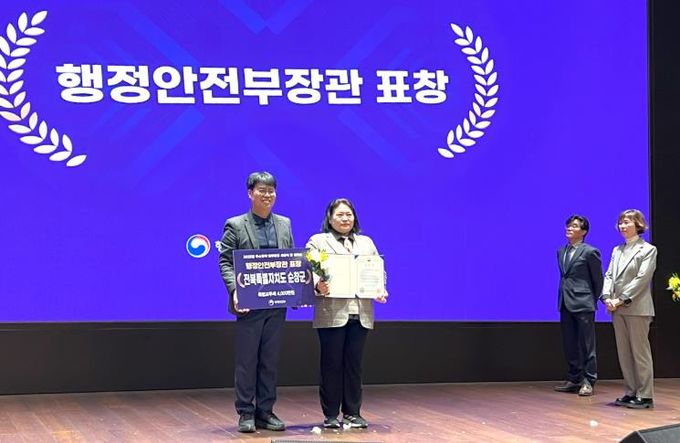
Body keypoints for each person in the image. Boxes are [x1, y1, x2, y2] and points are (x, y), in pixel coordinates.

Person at [218, 172, 294, 432]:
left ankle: (265, 411)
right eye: (262, 190)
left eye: (271, 190)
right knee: (247, 361)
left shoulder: (284, 223)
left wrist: (299, 291)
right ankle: (246, 412)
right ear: (250, 193)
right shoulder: (235, 225)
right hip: (249, 304)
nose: (267, 195)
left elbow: (291, 261)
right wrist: (235, 290)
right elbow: (226, 261)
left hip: (277, 304)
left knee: (270, 361)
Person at [305, 198, 387, 429]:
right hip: (331, 311)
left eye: (348, 215)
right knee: (331, 364)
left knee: (354, 364)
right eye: (340, 215)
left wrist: (380, 288)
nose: (345, 219)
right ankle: (331, 414)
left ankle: (353, 412)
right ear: (330, 218)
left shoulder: (366, 242)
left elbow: (378, 269)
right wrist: (317, 285)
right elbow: (309, 271)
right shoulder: (318, 241)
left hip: (360, 312)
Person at [601, 209, 657, 409]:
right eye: (621, 222)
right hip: (617, 308)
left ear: (638, 225)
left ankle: (645, 395)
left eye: (627, 222)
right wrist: (607, 297)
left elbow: (642, 279)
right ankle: (631, 392)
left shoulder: (648, 249)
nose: (623, 226)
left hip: (637, 308)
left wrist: (621, 299)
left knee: (639, 353)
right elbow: (609, 275)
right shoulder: (617, 250)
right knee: (624, 353)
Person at [553, 215, 603, 397]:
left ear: (584, 231)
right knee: (570, 343)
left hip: (584, 303)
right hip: (565, 302)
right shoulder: (561, 251)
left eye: (574, 226)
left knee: (587, 345)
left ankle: (589, 380)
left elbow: (598, 280)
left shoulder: (590, 252)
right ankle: (574, 379)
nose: (569, 228)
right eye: (568, 225)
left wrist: (591, 299)